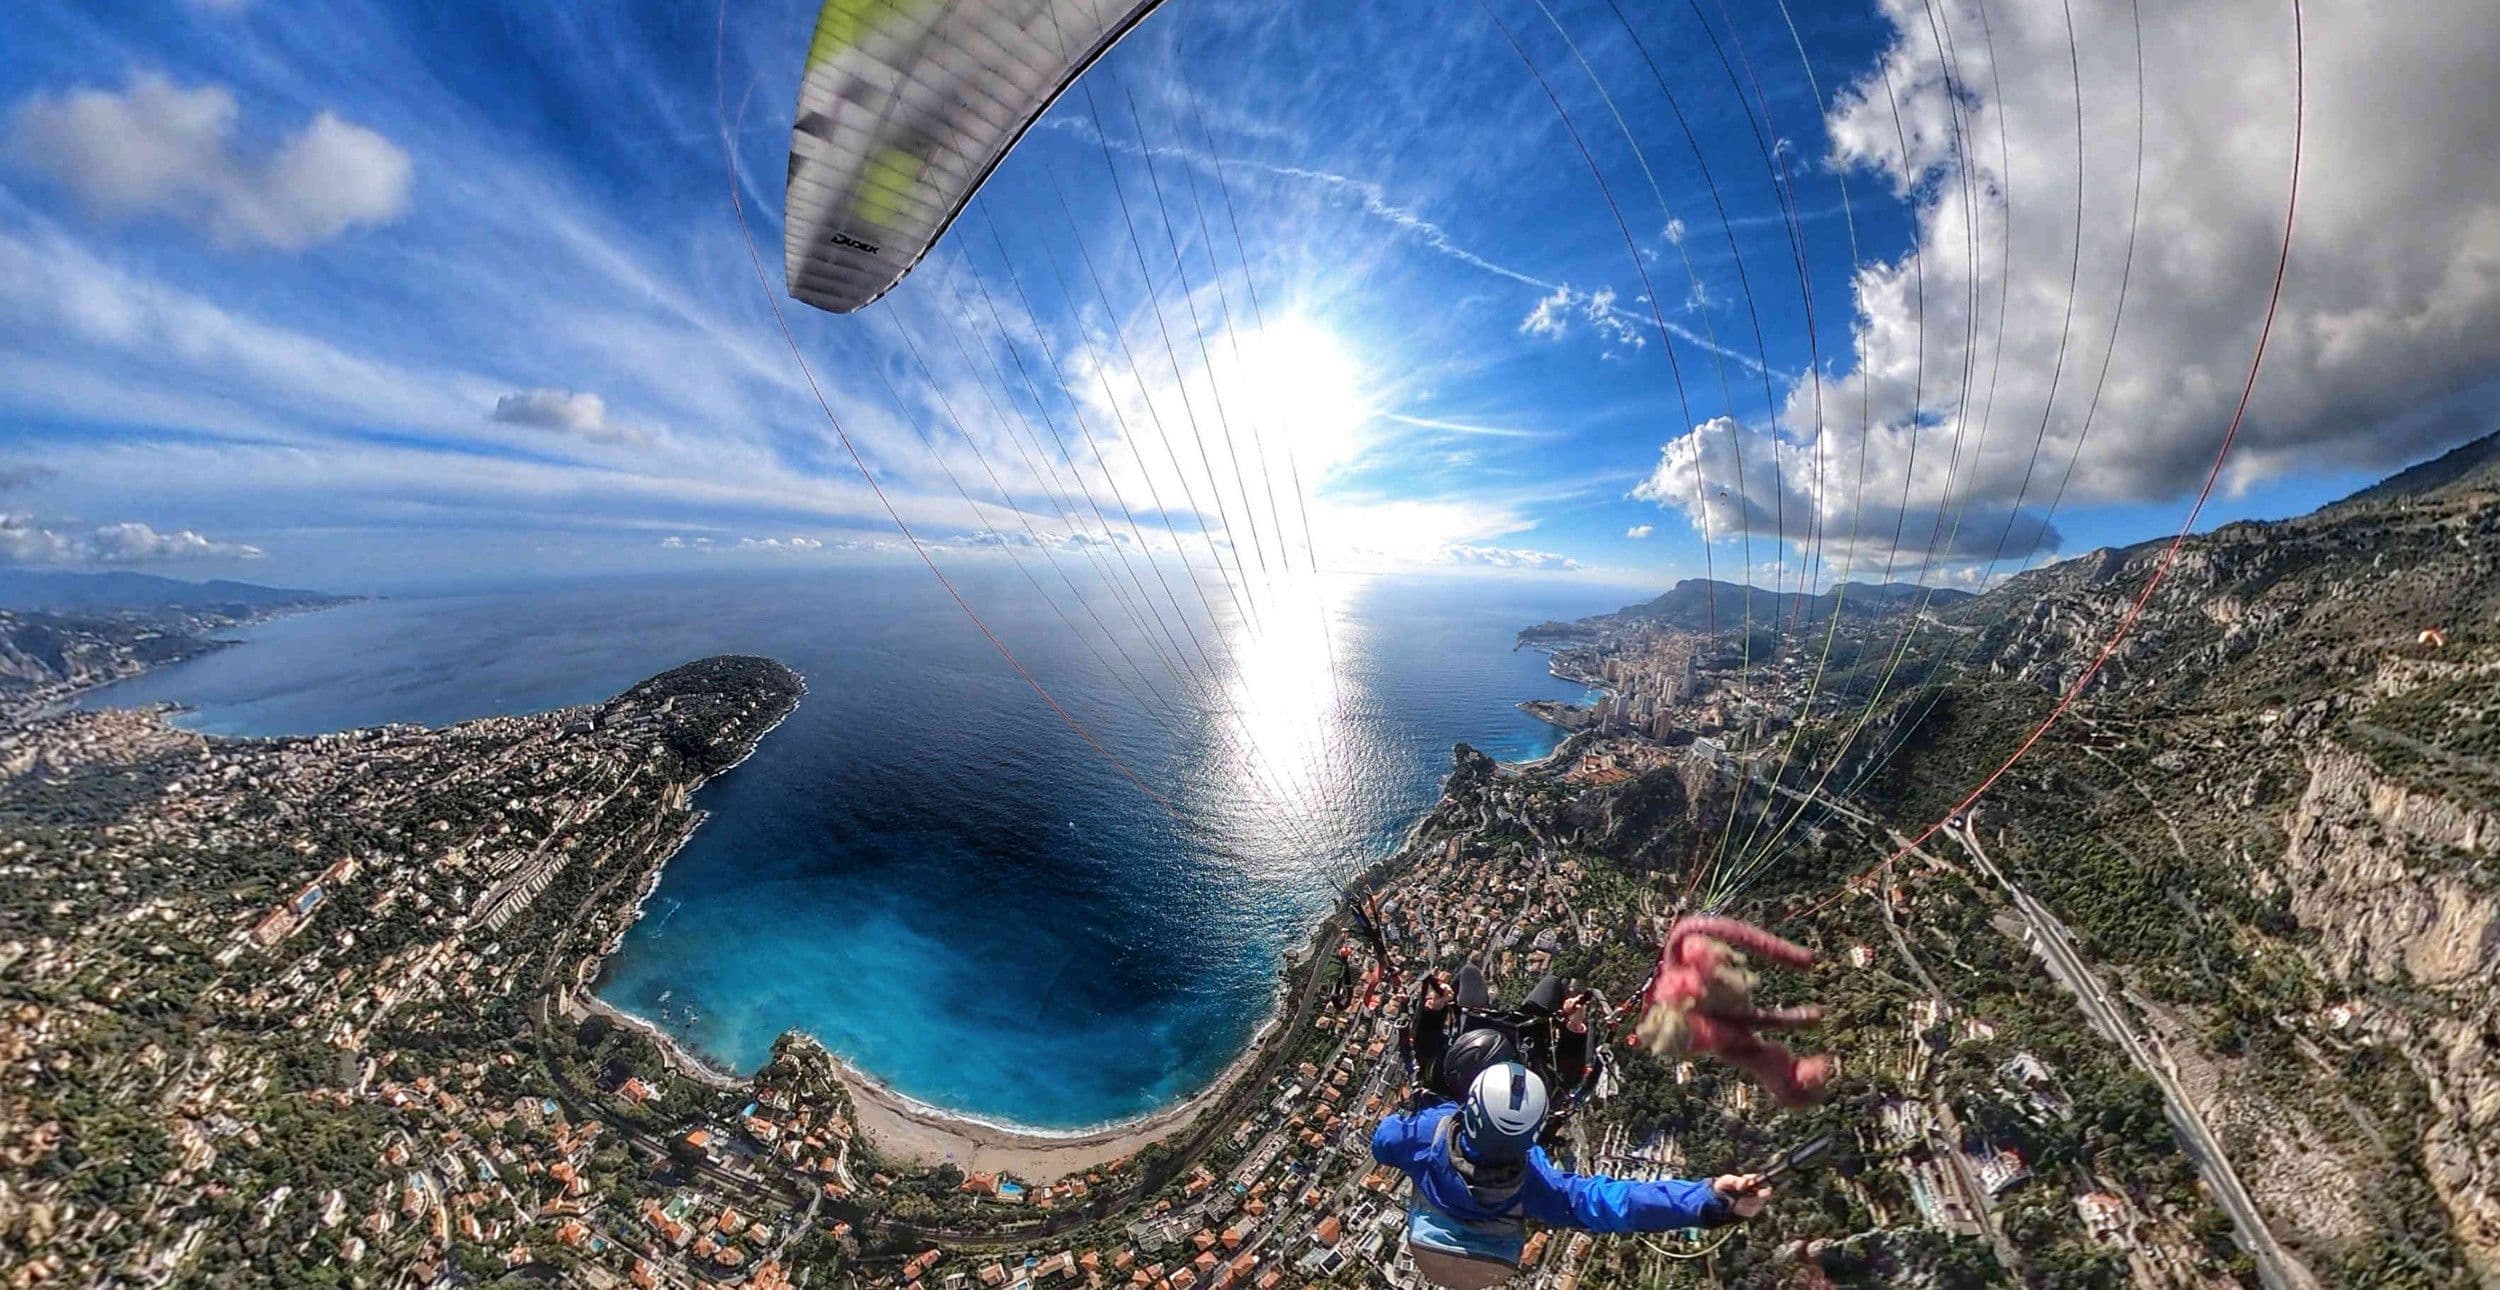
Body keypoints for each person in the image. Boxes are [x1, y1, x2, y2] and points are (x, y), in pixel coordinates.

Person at [1372, 1061, 1770, 1289]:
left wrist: (1432, 1108)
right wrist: (1708, 1201)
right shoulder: (1537, 1184)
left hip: (1432, 1246)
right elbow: (1616, 1203)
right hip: (1486, 1261)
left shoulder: (1427, 1135)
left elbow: (1384, 1139)